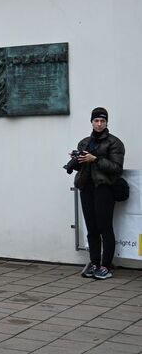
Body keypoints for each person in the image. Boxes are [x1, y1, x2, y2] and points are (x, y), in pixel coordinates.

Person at [74, 107, 125, 280]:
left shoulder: (114, 143)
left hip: (104, 189)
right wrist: (76, 159)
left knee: (105, 228)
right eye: (96, 120)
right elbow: (81, 167)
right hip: (86, 188)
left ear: (106, 122)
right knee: (91, 228)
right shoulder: (84, 142)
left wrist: (95, 159)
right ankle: (95, 263)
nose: (99, 124)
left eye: (102, 121)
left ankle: (105, 266)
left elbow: (117, 168)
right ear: (91, 122)